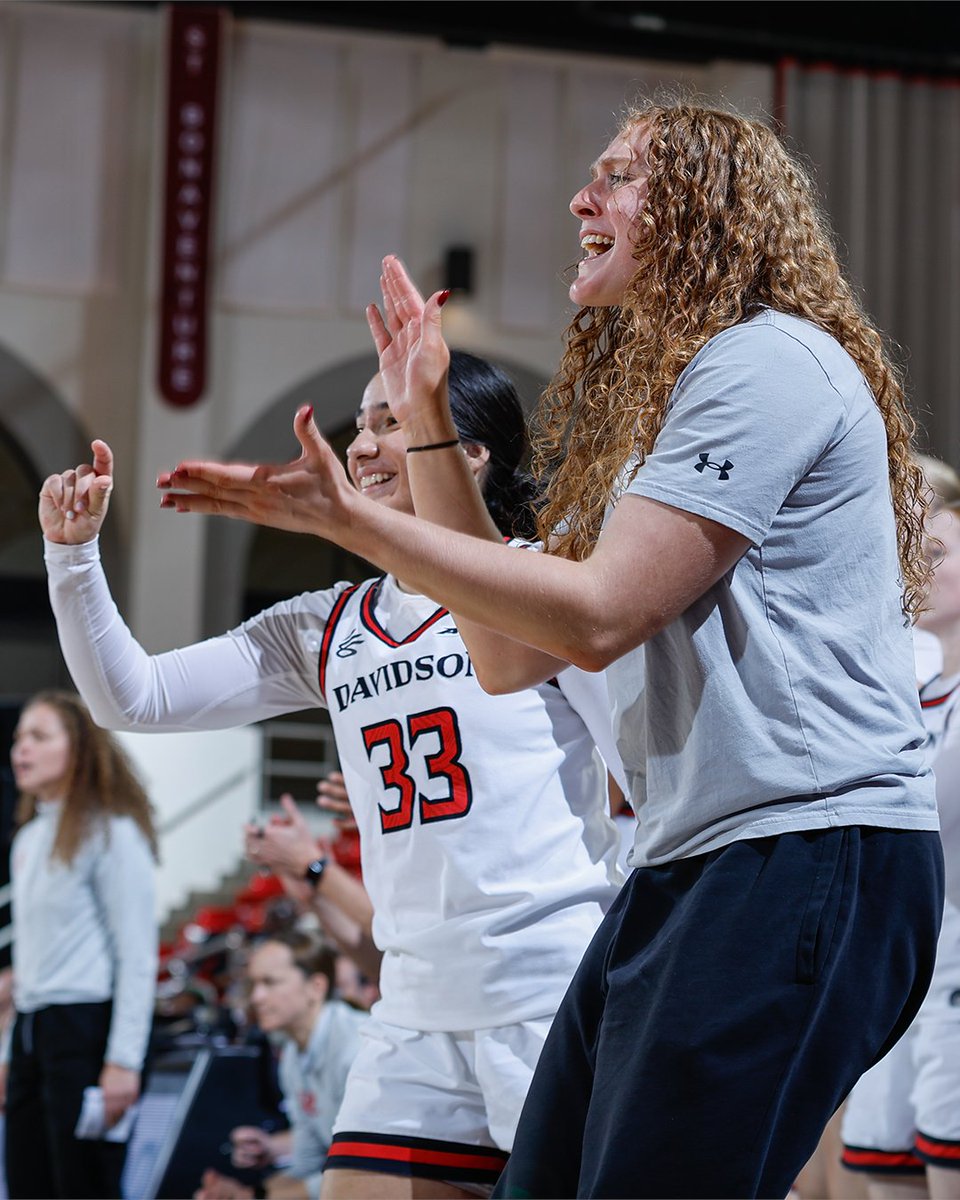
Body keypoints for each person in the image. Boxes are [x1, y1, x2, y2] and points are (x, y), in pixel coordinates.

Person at [152, 100, 944, 1198]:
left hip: (806, 847)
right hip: (696, 860)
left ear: (705, 207)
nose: (583, 199)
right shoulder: (676, 396)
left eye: (617, 177)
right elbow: (510, 651)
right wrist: (426, 415)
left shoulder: (767, 364)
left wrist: (348, 520)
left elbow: (595, 616)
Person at [40, 350, 623, 1198]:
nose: (361, 444)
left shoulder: (551, 581)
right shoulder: (333, 624)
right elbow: (136, 696)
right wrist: (74, 561)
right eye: (363, 421)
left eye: (393, 420)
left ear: (470, 454)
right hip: (415, 1006)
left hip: (548, 994)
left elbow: (646, 777)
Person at [840, 455, 960, 1200]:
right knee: (875, 1174)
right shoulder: (896, 686)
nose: (915, 559)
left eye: (937, 547)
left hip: (951, 976)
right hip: (894, 979)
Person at [1, 690, 158, 1199]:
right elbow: (30, 960)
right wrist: (8, 1051)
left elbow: (136, 954)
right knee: (27, 1183)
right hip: (33, 1029)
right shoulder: (28, 839)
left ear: (80, 748)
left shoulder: (111, 831)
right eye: (19, 737)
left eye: (39, 737)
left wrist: (123, 1061)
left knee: (83, 1186)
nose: (20, 748)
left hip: (85, 1030)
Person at [197, 930, 366, 1200]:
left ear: (316, 987)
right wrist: (247, 1194)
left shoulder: (358, 1048)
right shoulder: (291, 1055)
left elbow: (361, 1174)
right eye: (254, 985)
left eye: (270, 982)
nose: (257, 998)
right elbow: (308, 1161)